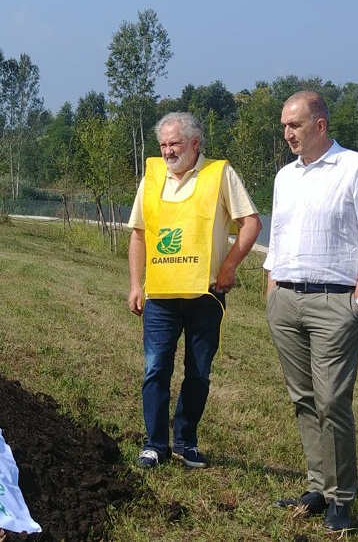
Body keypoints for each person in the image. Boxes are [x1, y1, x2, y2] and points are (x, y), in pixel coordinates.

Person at [264, 91, 358, 532]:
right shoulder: (285, 177)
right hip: (286, 299)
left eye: (294, 125)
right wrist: (271, 288)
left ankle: (342, 498)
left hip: (336, 301)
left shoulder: (355, 168)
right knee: (303, 398)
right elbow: (277, 237)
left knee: (333, 400)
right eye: (284, 126)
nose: (287, 134)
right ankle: (318, 486)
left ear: (319, 125)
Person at [127, 112, 261, 470]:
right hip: (160, 297)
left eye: (175, 143)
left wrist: (229, 267)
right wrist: (135, 285)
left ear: (195, 143)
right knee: (156, 369)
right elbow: (138, 233)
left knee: (198, 372)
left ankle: (186, 442)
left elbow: (251, 222)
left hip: (205, 296)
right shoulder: (152, 177)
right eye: (164, 145)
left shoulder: (220, 174)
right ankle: (155, 445)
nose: (169, 151)